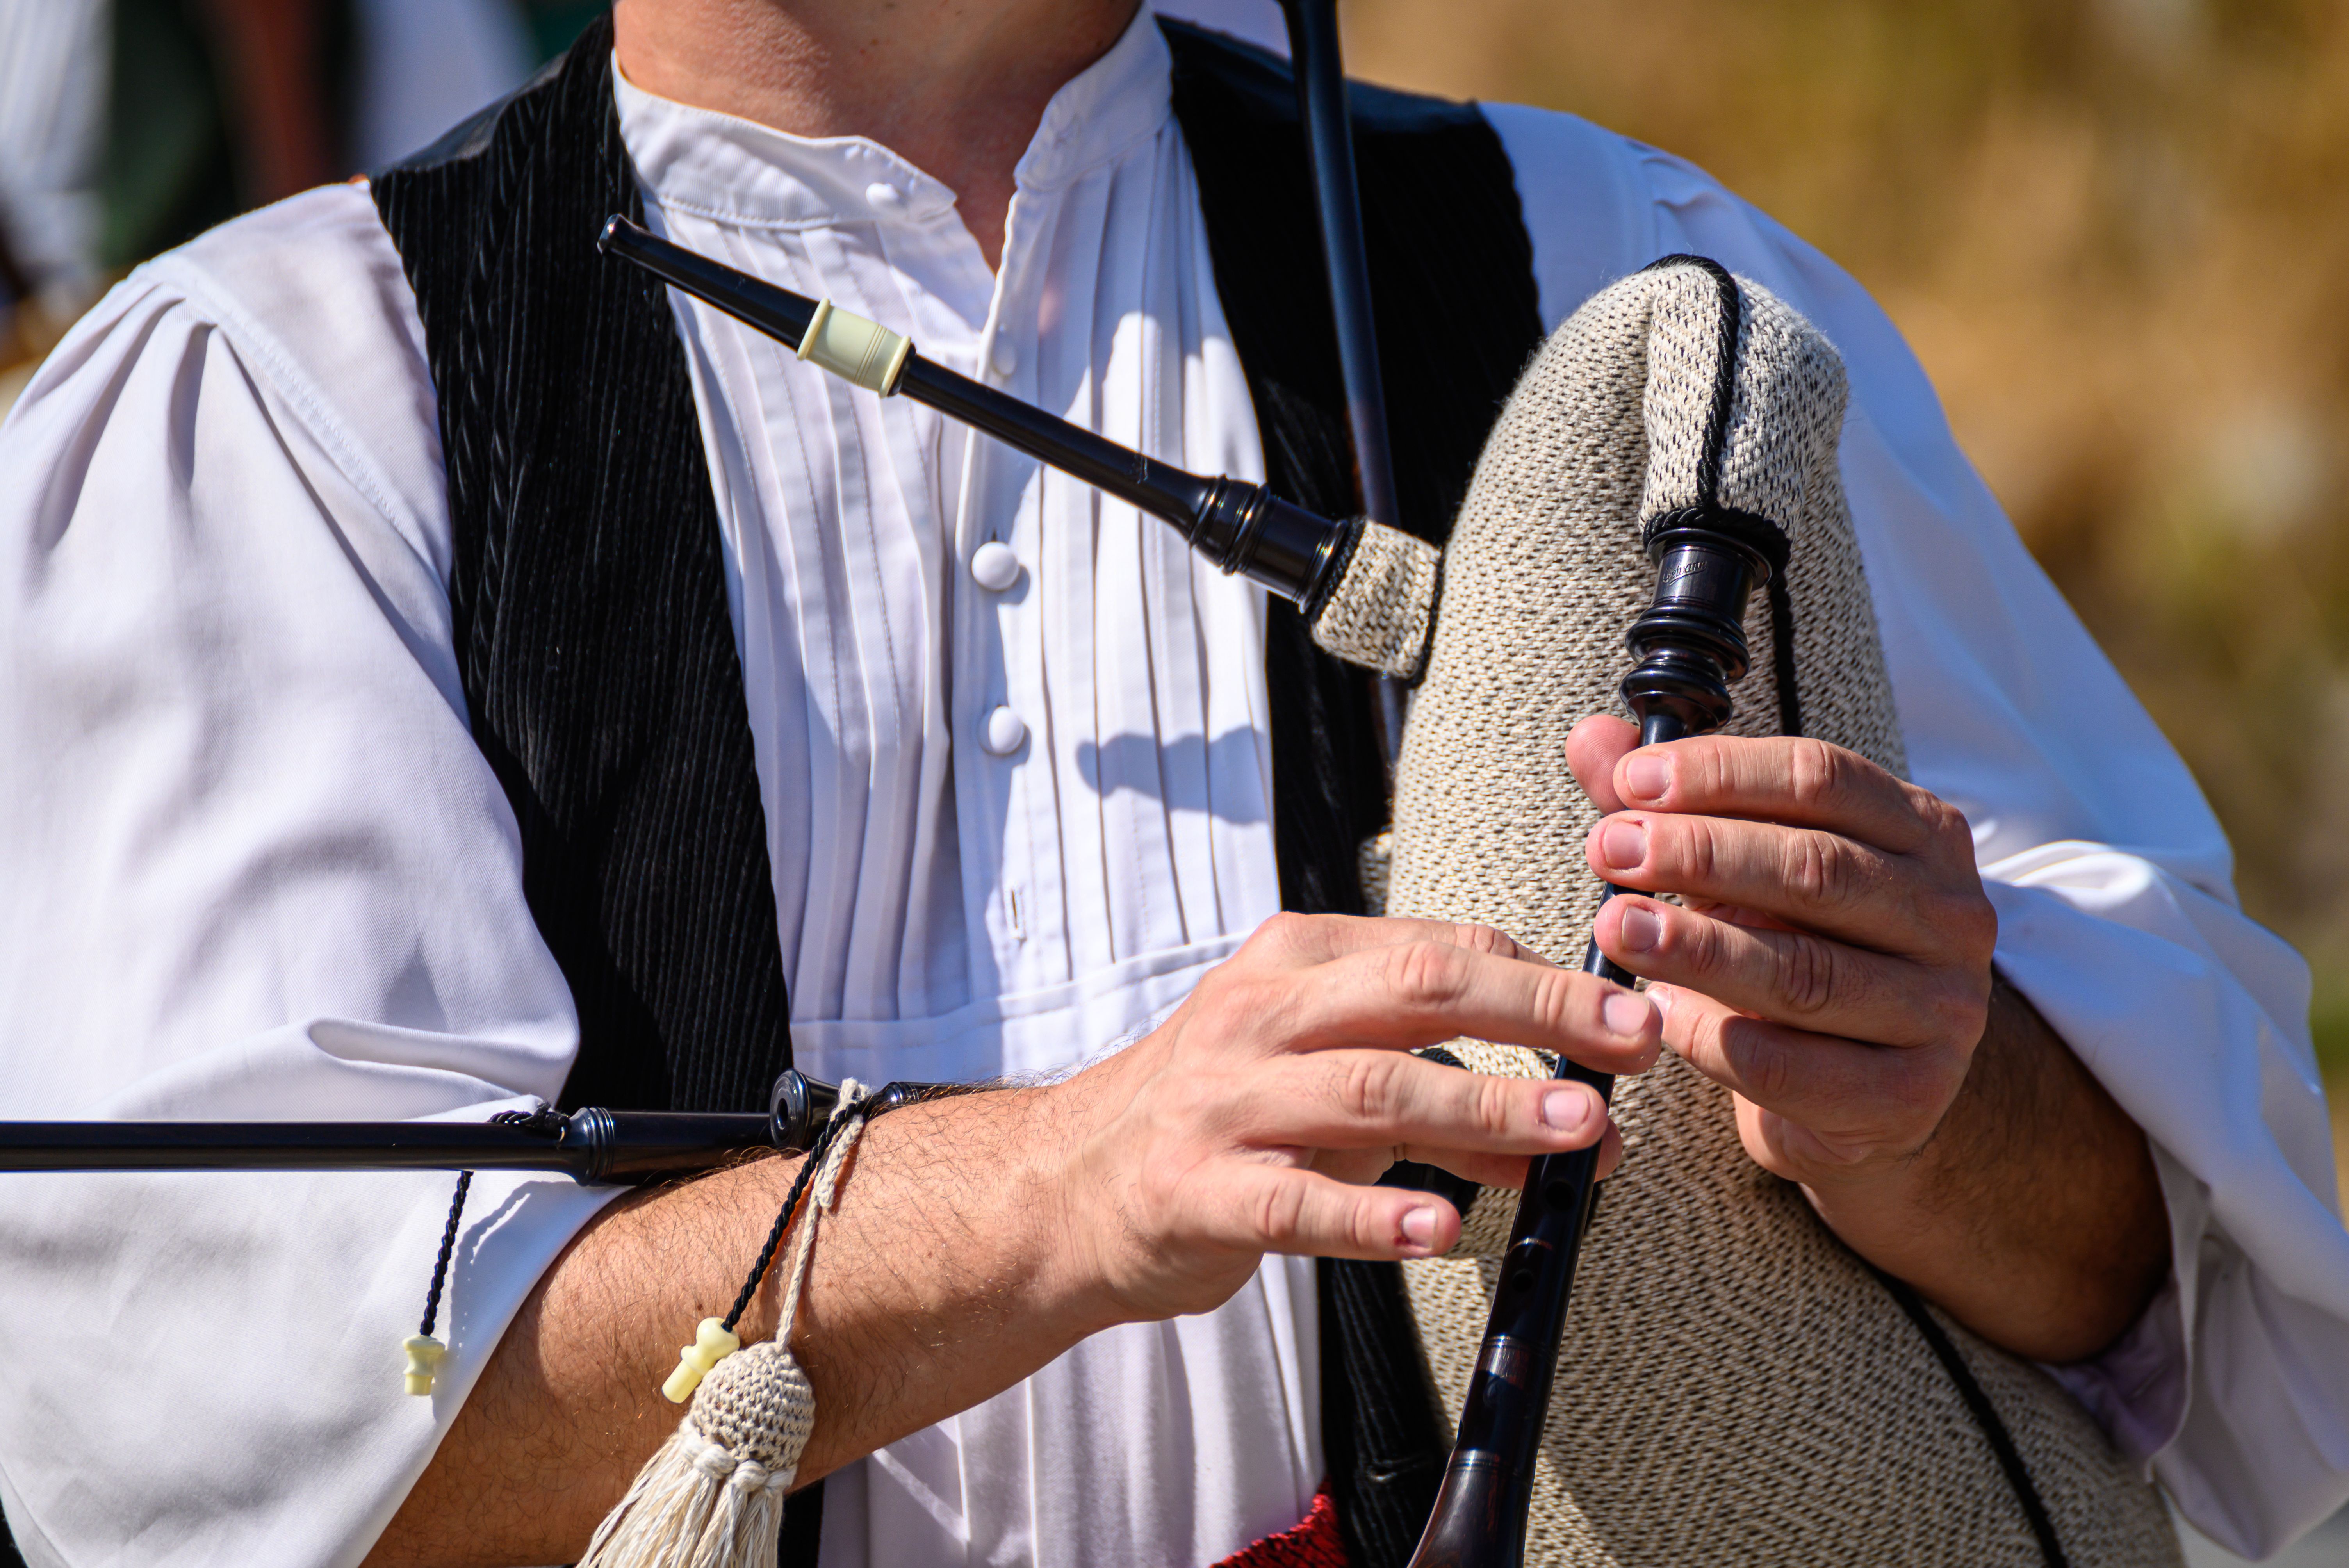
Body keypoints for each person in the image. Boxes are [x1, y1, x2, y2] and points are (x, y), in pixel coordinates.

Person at [0, 1, 2341, 1564]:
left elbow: (2176, 1303)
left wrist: (1937, 1103)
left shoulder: (1623, 277)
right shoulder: (274, 409)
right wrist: (1048, 1193)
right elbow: (257, 1443)